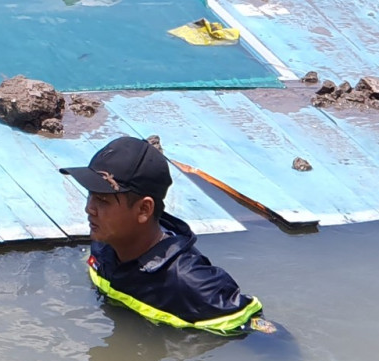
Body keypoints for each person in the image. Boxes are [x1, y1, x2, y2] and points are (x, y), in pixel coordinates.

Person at [62, 135, 266, 335]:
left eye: (103, 201)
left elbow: (267, 336)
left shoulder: (195, 285)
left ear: (143, 209)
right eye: (90, 195)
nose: (89, 208)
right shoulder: (105, 243)